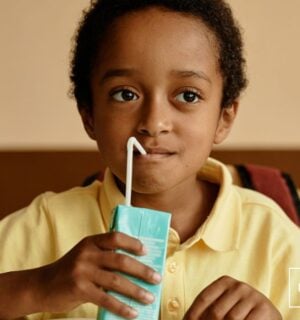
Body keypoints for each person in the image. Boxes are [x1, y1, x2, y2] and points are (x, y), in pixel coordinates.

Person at [0, 0, 299, 319]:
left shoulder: (275, 237)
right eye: (125, 94)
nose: (154, 122)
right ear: (89, 115)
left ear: (224, 118)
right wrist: (38, 287)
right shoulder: (42, 227)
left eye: (188, 95)